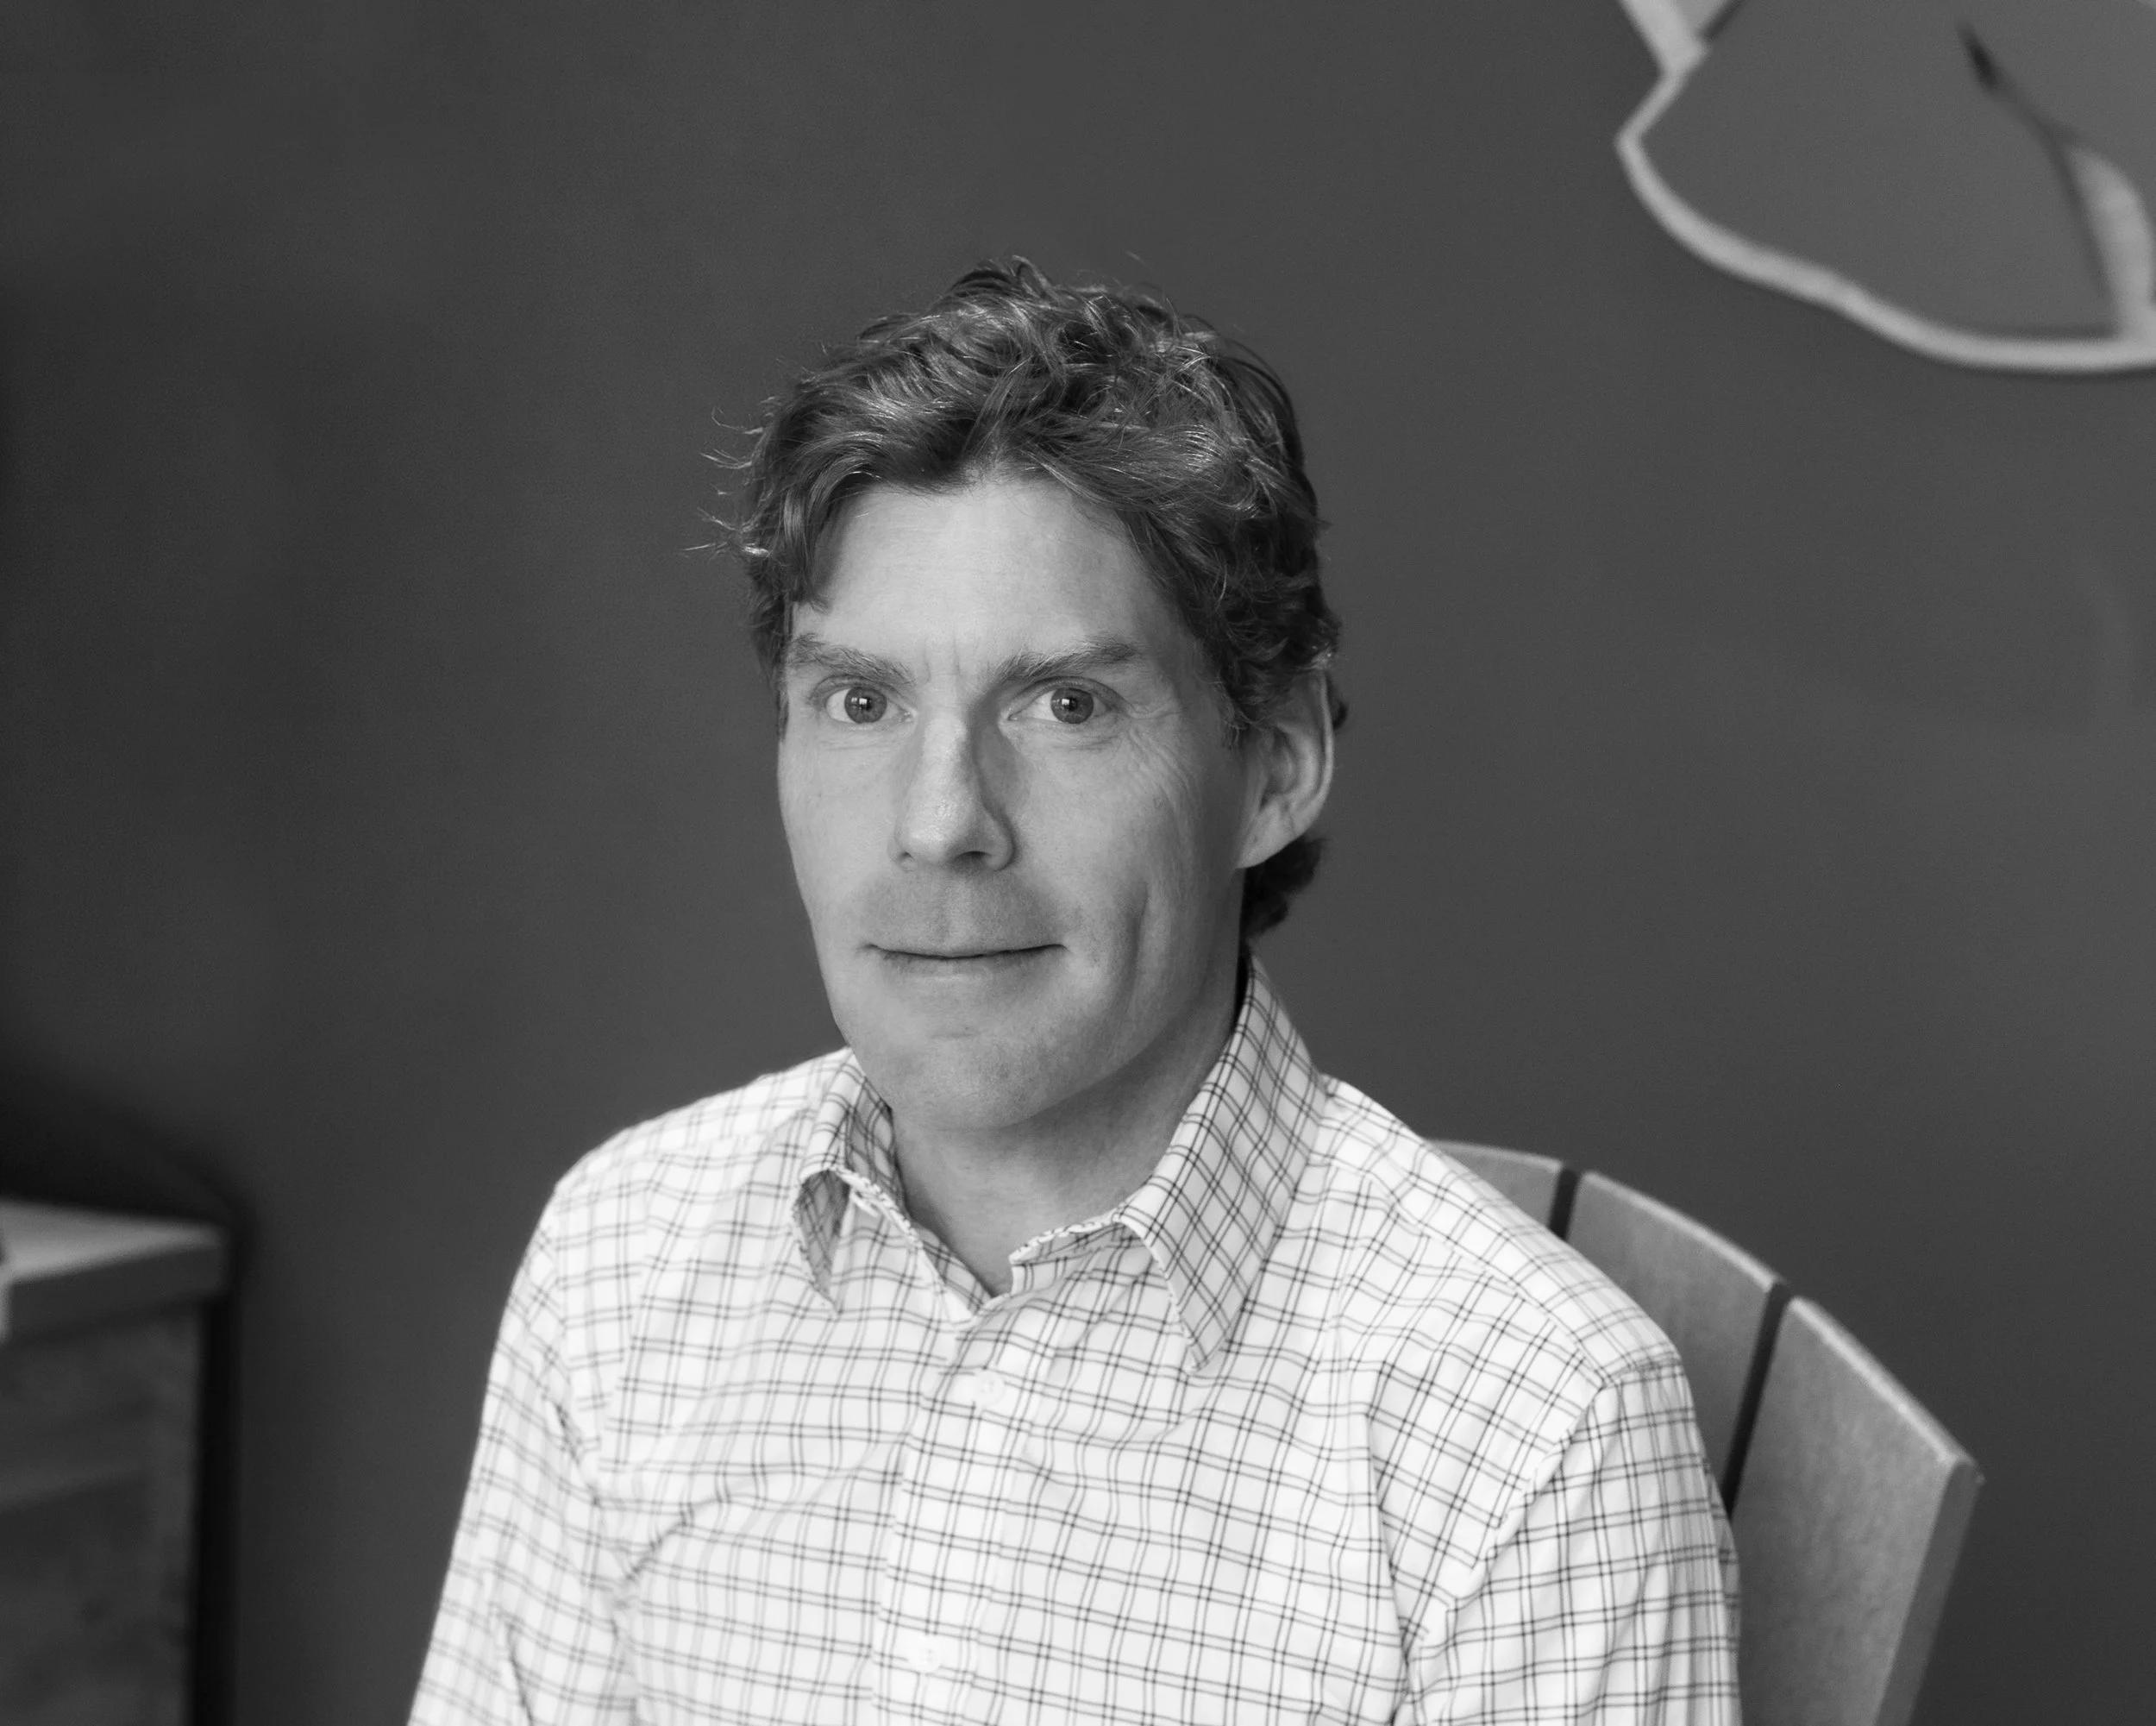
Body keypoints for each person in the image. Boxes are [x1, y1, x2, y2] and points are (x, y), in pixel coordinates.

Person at [411, 260, 1739, 1723]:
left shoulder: (1528, 1427)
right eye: (860, 701)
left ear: (1276, 766)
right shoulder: (624, 1265)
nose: (939, 823)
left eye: (1067, 705)